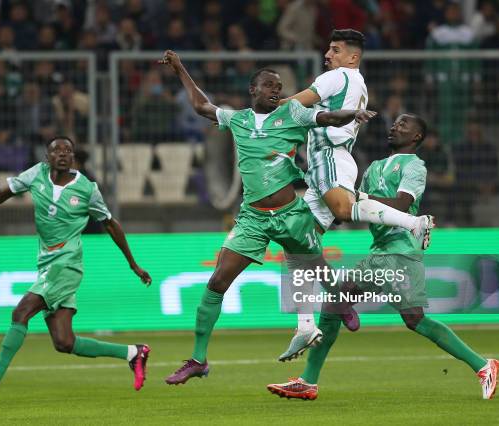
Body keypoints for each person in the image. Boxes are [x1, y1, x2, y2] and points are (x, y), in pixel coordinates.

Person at [158, 50, 376, 385]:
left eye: (279, 86)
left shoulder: (292, 113)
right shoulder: (238, 119)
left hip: (290, 213)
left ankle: (340, 299)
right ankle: (198, 359)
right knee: (217, 281)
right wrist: (180, 69)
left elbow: (328, 118)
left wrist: (353, 114)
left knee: (316, 266)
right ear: (253, 90)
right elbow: (202, 106)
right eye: (269, 85)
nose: (276, 90)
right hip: (253, 218)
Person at [267, 114, 499, 401]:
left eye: (404, 125)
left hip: (399, 253)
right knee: (354, 307)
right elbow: (354, 208)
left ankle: (483, 364)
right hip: (380, 252)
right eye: (394, 123)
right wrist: (330, 211)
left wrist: (358, 200)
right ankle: (308, 381)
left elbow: (402, 204)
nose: (395, 127)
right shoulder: (375, 167)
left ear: (416, 137)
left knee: (401, 316)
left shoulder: (415, 166)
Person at [0, 137, 152, 402]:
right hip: (47, 262)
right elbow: (0, 196)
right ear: (47, 156)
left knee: (21, 312)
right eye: (57, 150)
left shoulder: (86, 188)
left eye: (68, 151)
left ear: (73, 157)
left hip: (67, 262)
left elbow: (110, 224)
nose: (63, 154)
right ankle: (133, 353)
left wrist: (133, 263)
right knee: (64, 342)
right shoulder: (36, 173)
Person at [278, 29, 434, 361]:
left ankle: (414, 223)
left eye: (335, 49)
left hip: (332, 158)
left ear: (353, 56)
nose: (327, 54)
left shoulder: (338, 77)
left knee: (344, 209)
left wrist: (263, 112)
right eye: (328, 49)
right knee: (296, 243)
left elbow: (295, 105)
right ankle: (306, 325)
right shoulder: (353, 81)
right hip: (321, 164)